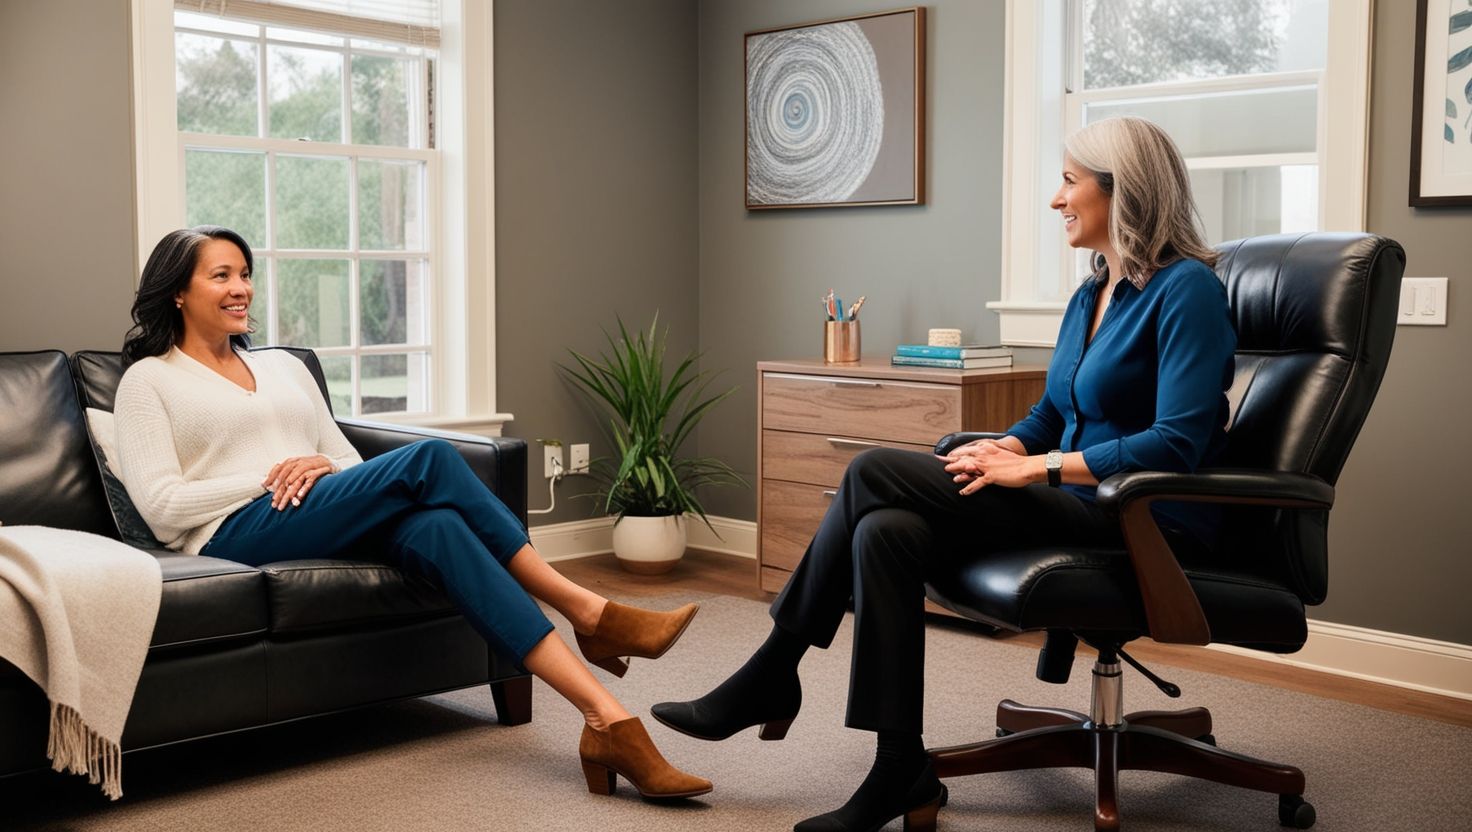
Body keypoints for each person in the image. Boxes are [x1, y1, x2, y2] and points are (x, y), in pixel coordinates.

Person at [651, 115, 1237, 832]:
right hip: (1073, 496)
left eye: (1068, 181)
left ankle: (773, 672)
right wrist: (1004, 449)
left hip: (1137, 520)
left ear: (1124, 192)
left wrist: (1040, 469)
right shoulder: (1094, 295)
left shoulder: (1189, 293)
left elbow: (1175, 444)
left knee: (870, 471)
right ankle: (901, 766)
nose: (1057, 200)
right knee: (887, 531)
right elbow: (1052, 414)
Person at [112, 226, 711, 800]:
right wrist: (269, 477)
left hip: (318, 512)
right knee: (428, 456)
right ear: (179, 292)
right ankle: (587, 610)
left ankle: (606, 719)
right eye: (221, 275)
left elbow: (342, 459)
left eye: (244, 273)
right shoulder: (150, 381)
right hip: (236, 531)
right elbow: (163, 510)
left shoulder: (283, 367)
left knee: (440, 528)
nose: (240, 287)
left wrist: (318, 465)